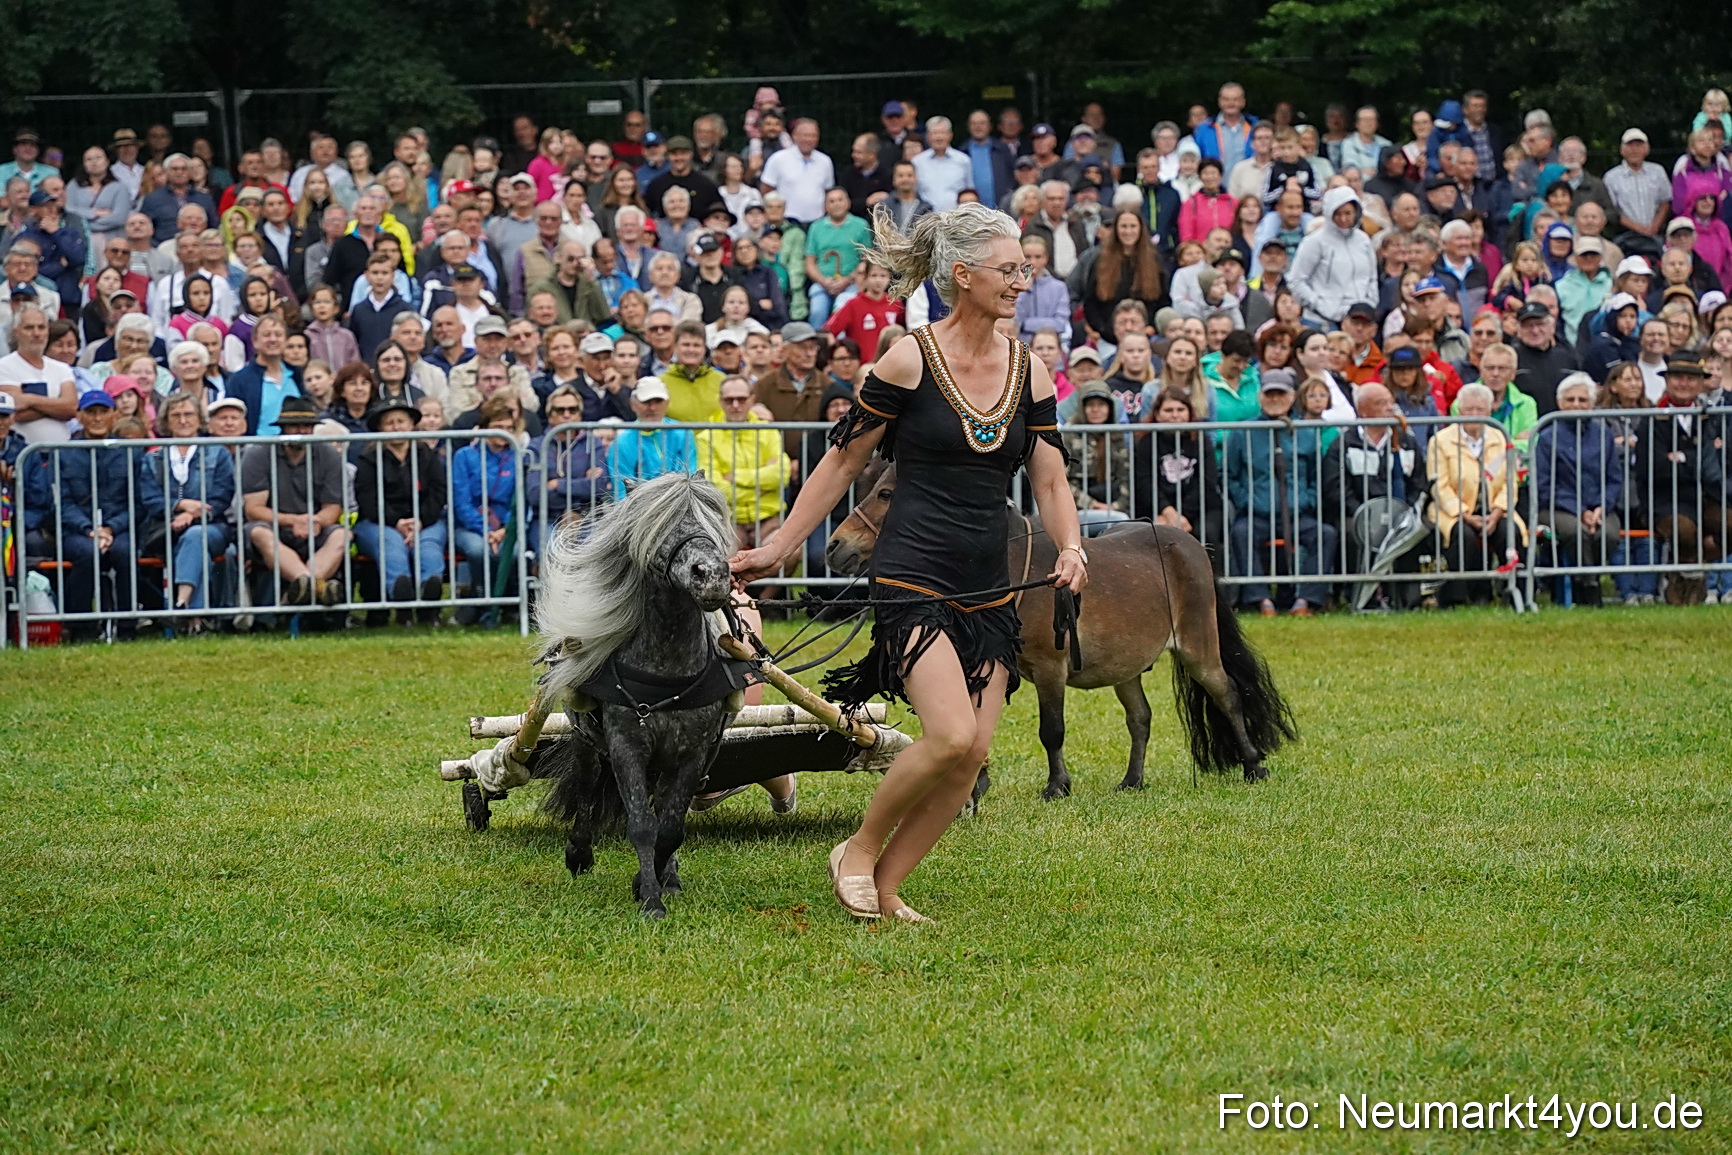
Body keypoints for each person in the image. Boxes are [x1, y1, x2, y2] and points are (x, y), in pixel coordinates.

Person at [730, 199, 1083, 924]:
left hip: (989, 580)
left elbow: (1049, 479)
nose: (1023, 279)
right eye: (1010, 268)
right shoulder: (908, 358)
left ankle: (888, 885)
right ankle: (856, 849)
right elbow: (843, 459)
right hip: (912, 572)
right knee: (949, 733)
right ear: (964, 274)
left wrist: (1073, 545)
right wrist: (780, 545)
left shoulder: (1033, 371)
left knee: (974, 752)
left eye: (1025, 268)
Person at [1223, 369, 1334, 615]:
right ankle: (1260, 600)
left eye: (1280, 394)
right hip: (1257, 514)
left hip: (1298, 514)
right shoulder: (1242, 432)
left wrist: (1308, 500)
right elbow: (1229, 475)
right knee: (1241, 533)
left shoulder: (1306, 432)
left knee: (1325, 535)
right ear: (1260, 397)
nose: (1275, 399)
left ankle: (1306, 600)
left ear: (1292, 396)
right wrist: (1247, 500)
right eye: (1269, 394)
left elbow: (1317, 475)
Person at [1319, 382, 1426, 600]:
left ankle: (1404, 596)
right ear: (1363, 410)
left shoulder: (1407, 442)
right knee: (1351, 534)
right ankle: (1356, 594)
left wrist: (1407, 512)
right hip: (1357, 514)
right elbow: (1335, 487)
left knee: (1417, 532)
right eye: (1381, 403)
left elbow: (1418, 482)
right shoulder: (1344, 444)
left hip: (1401, 513)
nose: (1390, 407)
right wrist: (1363, 513)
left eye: (1390, 401)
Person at [240, 395, 349, 607]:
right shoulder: (259, 454)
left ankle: (300, 589)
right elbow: (253, 510)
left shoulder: (328, 454)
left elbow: (333, 508)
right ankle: (317, 588)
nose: (301, 431)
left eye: (307, 426)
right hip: (273, 526)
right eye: (294, 426)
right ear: (283, 428)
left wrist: (314, 521)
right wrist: (292, 521)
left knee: (341, 534)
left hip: (314, 527)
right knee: (259, 532)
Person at [1636, 353, 1725, 603]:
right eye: (1677, 378)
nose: (1684, 384)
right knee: (1683, 530)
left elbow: (1723, 460)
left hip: (1708, 495)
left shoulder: (1713, 417)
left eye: (1691, 378)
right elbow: (1653, 468)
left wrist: (1681, 458)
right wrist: (1696, 460)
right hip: (1664, 499)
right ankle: (1689, 575)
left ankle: (1689, 566)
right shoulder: (1652, 419)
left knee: (1729, 525)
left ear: (1700, 383)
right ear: (1667, 381)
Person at [1428, 381, 1524, 605]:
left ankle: (1512, 593)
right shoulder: (1441, 440)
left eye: (1480, 410)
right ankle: (1458, 597)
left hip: (1493, 508)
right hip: (1452, 509)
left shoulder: (1500, 437)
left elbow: (1510, 481)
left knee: (1510, 531)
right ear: (1459, 410)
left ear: (1490, 411)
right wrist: (1464, 514)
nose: (1474, 414)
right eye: (1469, 409)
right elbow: (1438, 485)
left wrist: (1498, 511)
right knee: (1464, 535)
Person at [1530, 373, 1622, 606]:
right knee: (1576, 532)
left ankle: (1588, 578)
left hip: (1599, 505)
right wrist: (1580, 510)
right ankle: (1589, 587)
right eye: (1570, 400)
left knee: (1608, 533)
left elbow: (1614, 479)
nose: (1576, 405)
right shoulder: (1548, 437)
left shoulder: (1604, 434)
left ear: (1592, 404)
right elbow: (1545, 485)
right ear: (1560, 404)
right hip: (1557, 507)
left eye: (1582, 400)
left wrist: (1601, 506)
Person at [354, 396, 449, 611]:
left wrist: (420, 521)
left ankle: (430, 598)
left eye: (401, 421)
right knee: (391, 545)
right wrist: (396, 522)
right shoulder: (368, 459)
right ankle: (401, 597)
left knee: (429, 545)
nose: (396, 427)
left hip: (425, 520)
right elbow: (368, 499)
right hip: (380, 522)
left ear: (411, 424)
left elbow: (438, 491)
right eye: (389, 422)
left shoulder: (426, 454)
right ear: (380, 428)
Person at [154, 391, 235, 630]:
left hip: (212, 527)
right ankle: (195, 621)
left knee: (194, 536)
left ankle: (181, 604)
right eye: (175, 415)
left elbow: (222, 496)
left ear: (199, 419)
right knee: (193, 546)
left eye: (189, 414)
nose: (183, 420)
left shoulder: (218, 452)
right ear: (166, 421)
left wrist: (193, 515)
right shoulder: (154, 456)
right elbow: (149, 497)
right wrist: (178, 506)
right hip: (165, 528)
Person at [696, 374, 792, 553]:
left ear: (752, 400)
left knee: (790, 551)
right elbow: (714, 489)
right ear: (720, 401)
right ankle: (734, 583)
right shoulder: (706, 437)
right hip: (727, 520)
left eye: (741, 399)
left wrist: (736, 477)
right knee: (719, 554)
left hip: (768, 518)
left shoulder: (768, 431)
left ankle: (769, 583)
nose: (735, 405)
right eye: (729, 400)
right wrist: (761, 486)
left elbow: (781, 474)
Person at [530, 384, 611, 547]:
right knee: (550, 553)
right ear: (550, 415)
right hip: (548, 518)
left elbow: (600, 486)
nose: (566, 415)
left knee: (591, 554)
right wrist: (582, 485)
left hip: (587, 517)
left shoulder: (592, 442)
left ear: (580, 415)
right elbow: (535, 494)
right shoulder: (537, 446)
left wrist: (557, 484)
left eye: (572, 410)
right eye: (560, 410)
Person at [1289, 186, 1377, 328]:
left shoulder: (1363, 240)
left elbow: (1372, 278)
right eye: (1337, 214)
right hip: (1321, 321)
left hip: (1357, 319)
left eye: (1348, 213)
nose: (1343, 219)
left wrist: (1370, 303)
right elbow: (1296, 280)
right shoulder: (1315, 241)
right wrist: (1320, 305)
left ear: (1356, 212)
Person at [1076, 209, 1167, 342]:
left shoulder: (1155, 261)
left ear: (1141, 229)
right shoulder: (1100, 261)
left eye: (1133, 226)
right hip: (1108, 337)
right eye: (1123, 226)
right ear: (1116, 230)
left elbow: (1163, 300)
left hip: (1145, 336)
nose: (1128, 231)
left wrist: (1151, 327)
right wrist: (1104, 331)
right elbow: (1091, 303)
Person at [608, 377, 697, 497]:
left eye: (658, 401)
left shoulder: (683, 433)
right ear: (633, 405)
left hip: (677, 503)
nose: (652, 408)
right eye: (646, 402)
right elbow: (621, 492)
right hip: (639, 508)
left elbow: (689, 478)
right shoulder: (622, 443)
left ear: (667, 403)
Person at [0, 305, 77, 444]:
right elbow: (13, 413)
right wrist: (57, 407)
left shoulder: (62, 368)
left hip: (60, 455)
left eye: (41, 327)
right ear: (16, 332)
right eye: (29, 328)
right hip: (22, 455)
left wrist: (29, 399)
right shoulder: (4, 367)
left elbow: (71, 408)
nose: (36, 333)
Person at [804, 187, 873, 326]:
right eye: (832, 201)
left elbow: (866, 260)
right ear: (826, 206)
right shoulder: (816, 227)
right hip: (822, 283)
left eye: (840, 200)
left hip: (851, 283)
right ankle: (818, 344)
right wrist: (823, 281)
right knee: (817, 311)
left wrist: (847, 280)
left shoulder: (860, 225)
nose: (836, 204)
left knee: (842, 312)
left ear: (848, 203)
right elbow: (809, 262)